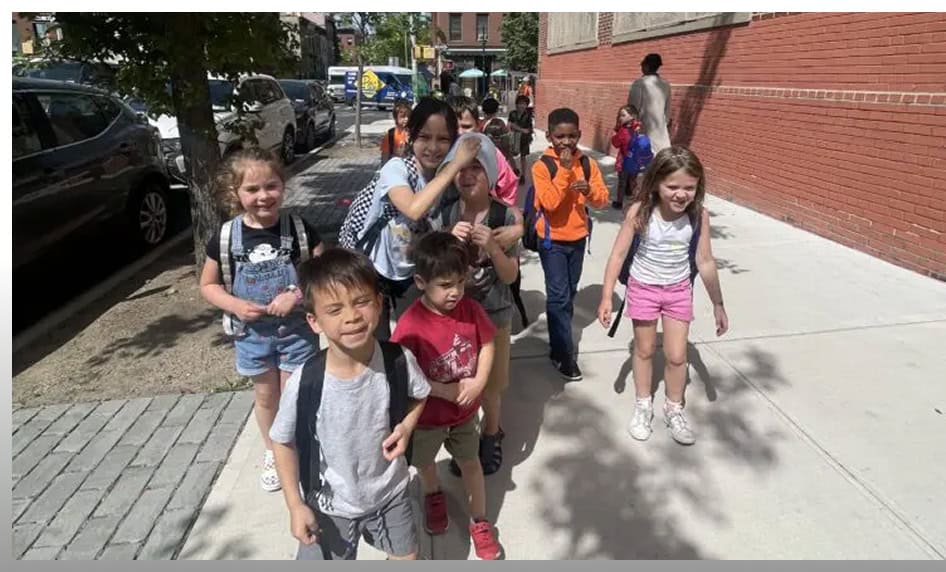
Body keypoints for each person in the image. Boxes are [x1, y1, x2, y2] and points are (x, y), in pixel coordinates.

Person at [270, 248, 431, 560]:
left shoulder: (398, 360)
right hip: (330, 504)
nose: (352, 316)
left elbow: (419, 394)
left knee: (406, 557)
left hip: (390, 493)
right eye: (335, 309)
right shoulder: (306, 382)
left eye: (361, 302)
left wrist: (407, 427)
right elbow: (282, 441)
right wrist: (294, 504)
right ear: (314, 322)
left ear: (379, 304)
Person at [199, 147, 325, 493]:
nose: (262, 196)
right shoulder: (225, 238)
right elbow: (208, 285)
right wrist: (236, 305)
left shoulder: (300, 230)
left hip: (297, 331)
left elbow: (321, 275)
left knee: (295, 394)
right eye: (252, 190)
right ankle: (274, 450)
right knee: (267, 396)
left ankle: (300, 446)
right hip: (252, 335)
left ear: (282, 186)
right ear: (234, 193)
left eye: (270, 186)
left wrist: (296, 295)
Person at [597, 147, 729, 445]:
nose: (681, 194)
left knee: (677, 355)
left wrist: (718, 303)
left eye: (689, 188)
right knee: (644, 351)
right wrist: (607, 296)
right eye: (673, 186)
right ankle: (644, 405)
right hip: (643, 288)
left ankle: (674, 408)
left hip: (678, 290)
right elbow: (618, 255)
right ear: (656, 182)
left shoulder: (698, 216)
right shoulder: (641, 212)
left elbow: (705, 261)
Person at [390, 232, 502, 560]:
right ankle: (433, 494)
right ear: (421, 282)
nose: (455, 292)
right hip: (426, 418)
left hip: (465, 414)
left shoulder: (470, 309)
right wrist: (443, 390)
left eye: (460, 282)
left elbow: (487, 343)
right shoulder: (410, 325)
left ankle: (480, 521)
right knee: (425, 463)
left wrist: (480, 380)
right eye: (445, 284)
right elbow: (404, 373)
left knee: (471, 462)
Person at [363, 97, 481, 340]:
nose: (433, 147)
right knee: (376, 347)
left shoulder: (447, 179)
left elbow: (488, 198)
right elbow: (414, 209)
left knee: (417, 341)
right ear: (410, 136)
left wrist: (518, 227)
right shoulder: (396, 169)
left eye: (443, 139)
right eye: (425, 137)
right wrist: (456, 162)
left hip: (412, 272)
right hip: (374, 269)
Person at [439, 133, 519, 476]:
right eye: (461, 169)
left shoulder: (503, 217)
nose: (468, 175)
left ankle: (492, 433)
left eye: (477, 168)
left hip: (494, 317)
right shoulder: (446, 212)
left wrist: (494, 248)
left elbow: (511, 276)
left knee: (491, 387)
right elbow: (434, 270)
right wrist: (446, 240)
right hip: (455, 318)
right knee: (465, 383)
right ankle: (466, 439)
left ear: (490, 174)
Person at [532, 108, 609, 381]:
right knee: (559, 297)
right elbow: (550, 203)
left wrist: (589, 191)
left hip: (577, 239)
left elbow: (602, 200)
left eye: (571, 136)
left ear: (579, 134)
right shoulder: (543, 166)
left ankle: (558, 340)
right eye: (559, 136)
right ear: (549, 136)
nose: (566, 142)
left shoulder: (587, 164)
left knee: (569, 294)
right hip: (552, 241)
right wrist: (564, 172)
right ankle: (563, 354)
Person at [450, 98, 530, 329]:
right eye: (454, 127)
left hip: (494, 307)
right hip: (454, 308)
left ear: (478, 124)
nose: (459, 132)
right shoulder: (443, 163)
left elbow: (509, 195)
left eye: (465, 126)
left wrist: (515, 225)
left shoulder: (490, 154)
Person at [628, 53, 672, 153]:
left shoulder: (640, 83)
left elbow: (632, 110)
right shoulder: (665, 84)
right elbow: (667, 112)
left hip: (643, 132)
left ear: (646, 66)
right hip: (661, 133)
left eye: (642, 65)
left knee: (644, 163)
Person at [610, 105, 641, 210]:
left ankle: (619, 203)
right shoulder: (637, 127)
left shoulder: (623, 131)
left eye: (623, 115)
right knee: (633, 181)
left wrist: (615, 134)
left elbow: (616, 143)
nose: (620, 118)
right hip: (636, 160)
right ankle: (636, 201)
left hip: (624, 161)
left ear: (632, 116)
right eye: (620, 115)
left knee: (622, 182)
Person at [507, 94, 534, 184]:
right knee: (509, 154)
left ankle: (523, 176)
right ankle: (515, 169)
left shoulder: (528, 115)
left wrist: (516, 127)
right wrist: (521, 129)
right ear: (516, 104)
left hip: (524, 139)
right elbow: (509, 125)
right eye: (520, 103)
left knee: (523, 157)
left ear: (526, 105)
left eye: (524, 104)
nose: (522, 106)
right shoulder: (512, 113)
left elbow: (529, 130)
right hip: (514, 138)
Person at [380, 98, 412, 166]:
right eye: (403, 116)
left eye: (409, 116)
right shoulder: (390, 135)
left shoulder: (413, 133)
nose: (406, 119)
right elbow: (384, 158)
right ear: (395, 118)